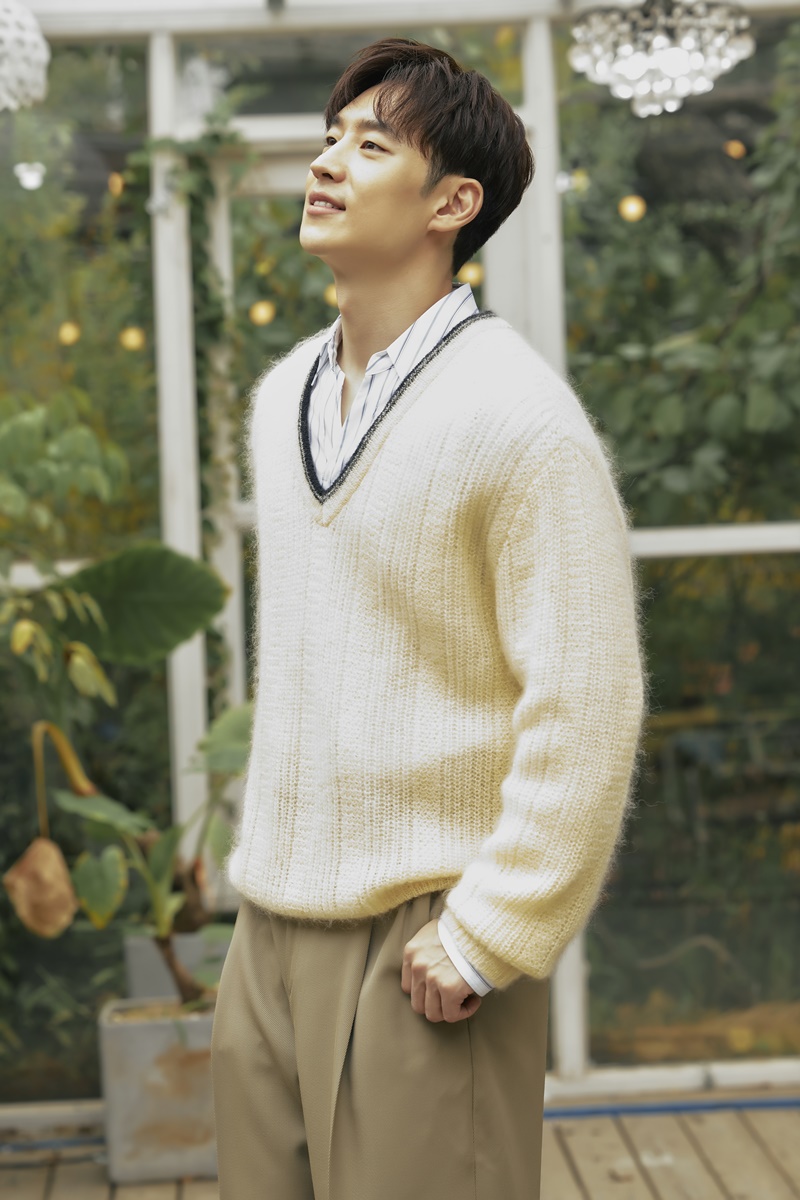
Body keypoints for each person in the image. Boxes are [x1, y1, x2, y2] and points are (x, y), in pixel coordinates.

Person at [211, 36, 644, 1200]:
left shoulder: (519, 422)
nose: (324, 163)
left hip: (426, 938)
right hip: (269, 927)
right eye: (328, 139)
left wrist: (490, 928)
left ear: (453, 203)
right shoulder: (281, 399)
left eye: (370, 144)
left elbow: (587, 701)